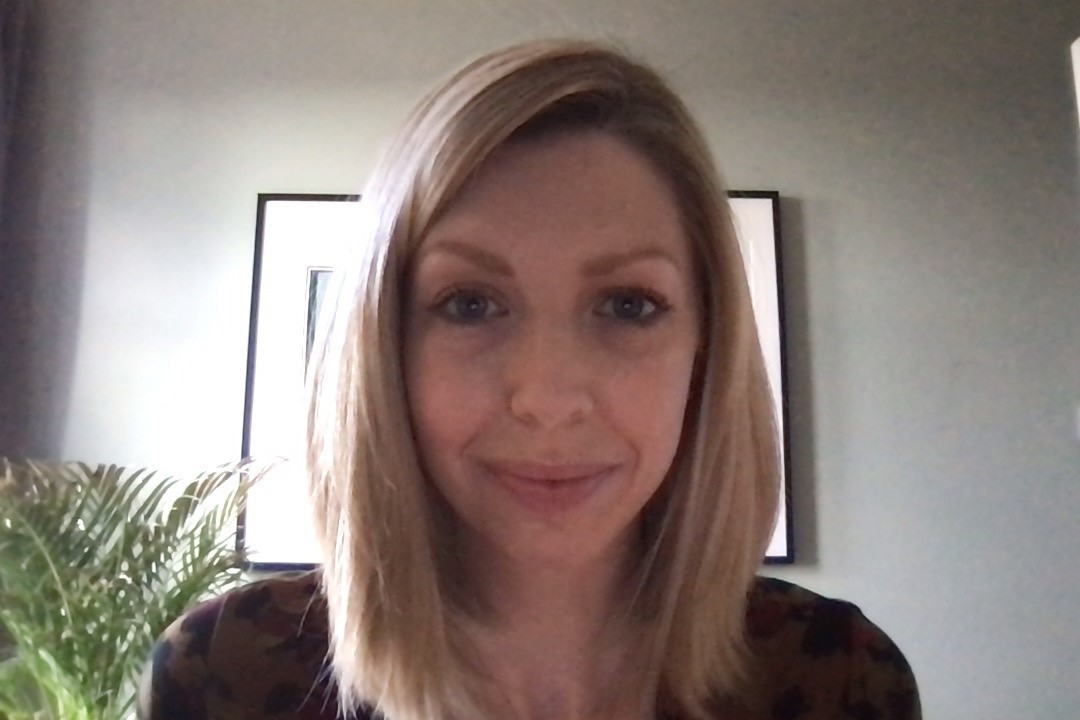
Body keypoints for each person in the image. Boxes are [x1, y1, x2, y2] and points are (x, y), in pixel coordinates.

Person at [138, 40, 921, 720]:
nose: (546, 399)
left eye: (627, 305)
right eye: (470, 304)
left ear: (707, 351)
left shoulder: (836, 680)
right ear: (384, 347)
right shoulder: (227, 675)